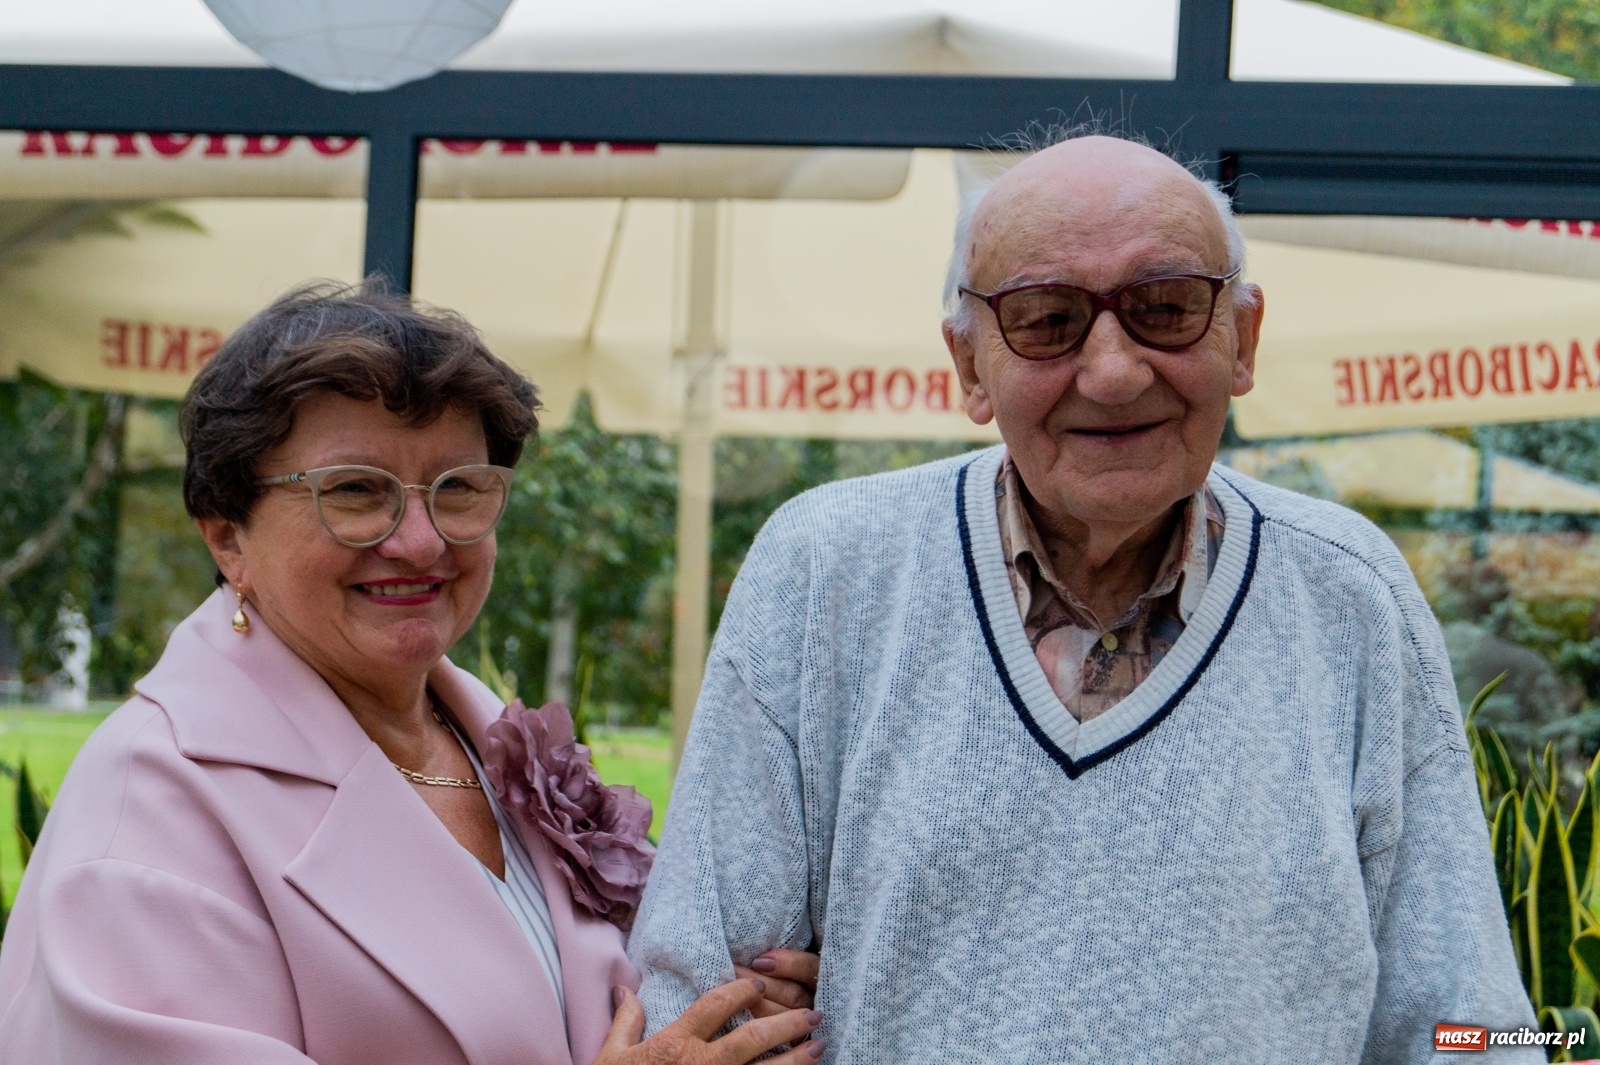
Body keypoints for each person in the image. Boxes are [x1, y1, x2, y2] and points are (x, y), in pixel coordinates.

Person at [629, 133, 1537, 1062]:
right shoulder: (824, 570)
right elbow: (700, 1000)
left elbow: (1474, 1024)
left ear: (1246, 338)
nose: (1112, 371)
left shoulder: (1356, 594)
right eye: (1047, 319)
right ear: (970, 363)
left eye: (1168, 308)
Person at [0, 283, 826, 1065]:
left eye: (459, 488)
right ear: (227, 536)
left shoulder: (494, 746)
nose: (422, 539)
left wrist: (740, 996)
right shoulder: (143, 819)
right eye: (356, 491)